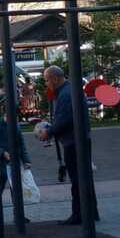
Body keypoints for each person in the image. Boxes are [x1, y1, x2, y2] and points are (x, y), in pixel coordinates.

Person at [37, 65, 99, 226]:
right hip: (80, 139)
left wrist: (48, 132)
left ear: (55, 78)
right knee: (85, 177)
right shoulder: (70, 90)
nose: (46, 84)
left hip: (73, 142)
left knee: (77, 179)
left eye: (47, 80)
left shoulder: (65, 94)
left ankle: (79, 214)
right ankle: (91, 212)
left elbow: (64, 119)